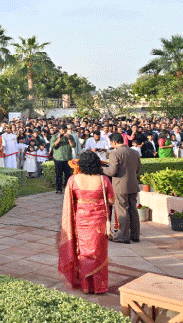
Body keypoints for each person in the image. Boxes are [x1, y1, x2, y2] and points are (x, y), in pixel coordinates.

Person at [58, 150, 115, 294]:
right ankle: (98, 287)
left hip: (81, 220)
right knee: (98, 252)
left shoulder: (73, 180)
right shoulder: (104, 180)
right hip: (99, 222)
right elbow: (111, 200)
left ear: (81, 164)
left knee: (83, 251)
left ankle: (85, 286)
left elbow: (69, 200)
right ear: (97, 164)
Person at [102, 133, 141, 244]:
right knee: (133, 210)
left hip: (120, 186)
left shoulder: (115, 153)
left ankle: (123, 236)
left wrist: (101, 169)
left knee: (122, 210)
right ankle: (135, 235)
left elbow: (112, 172)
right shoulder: (135, 152)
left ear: (114, 142)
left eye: (111, 143)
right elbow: (138, 170)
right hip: (133, 184)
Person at [51, 125, 75, 194]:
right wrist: (59, 139)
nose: (63, 132)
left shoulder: (70, 136)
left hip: (67, 158)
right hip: (58, 158)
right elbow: (52, 146)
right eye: (62, 131)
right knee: (59, 175)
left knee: (68, 175)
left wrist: (69, 138)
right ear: (59, 130)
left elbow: (73, 145)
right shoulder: (54, 136)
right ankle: (59, 189)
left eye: (64, 131)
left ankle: (67, 189)